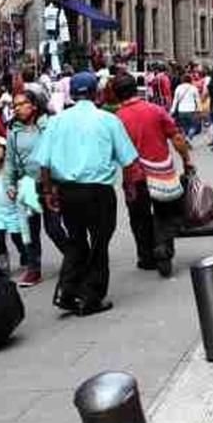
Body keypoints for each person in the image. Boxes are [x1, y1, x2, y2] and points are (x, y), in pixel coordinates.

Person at [33, 72, 139, 316]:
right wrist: (130, 187)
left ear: (72, 94)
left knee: (77, 240)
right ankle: (91, 296)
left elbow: (44, 162)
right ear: (97, 93)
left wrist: (49, 191)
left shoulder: (56, 121)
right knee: (99, 243)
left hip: (68, 192)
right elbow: (128, 161)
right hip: (98, 192)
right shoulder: (108, 120)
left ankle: (66, 291)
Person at [114, 73, 192, 277]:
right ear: (136, 89)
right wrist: (187, 161)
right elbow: (177, 138)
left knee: (139, 217)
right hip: (162, 174)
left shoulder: (117, 118)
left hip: (134, 177)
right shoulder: (156, 111)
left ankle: (146, 256)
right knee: (165, 213)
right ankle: (163, 247)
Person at [5, 90, 68, 287]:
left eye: (22, 104)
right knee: (30, 231)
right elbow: (10, 161)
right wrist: (10, 184)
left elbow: (60, 153)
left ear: (33, 106)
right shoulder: (13, 131)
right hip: (28, 186)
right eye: (14, 105)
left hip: (51, 185)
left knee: (54, 228)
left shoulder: (49, 125)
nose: (17, 108)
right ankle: (34, 269)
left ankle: (74, 256)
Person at [0, 136, 28, 276]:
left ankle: (25, 254)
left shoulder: (13, 169)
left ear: (5, 150)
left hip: (14, 209)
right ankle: (4, 265)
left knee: (16, 236)